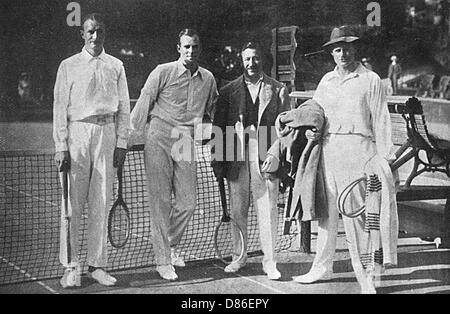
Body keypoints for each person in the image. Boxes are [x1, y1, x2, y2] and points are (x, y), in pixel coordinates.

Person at [292, 26, 398, 294]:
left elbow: (382, 120)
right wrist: (308, 126)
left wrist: (383, 159)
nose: (343, 52)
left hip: (359, 150)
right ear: (331, 52)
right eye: (337, 48)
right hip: (329, 149)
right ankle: (321, 267)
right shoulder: (326, 81)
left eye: (348, 47)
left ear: (356, 48)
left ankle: (367, 279)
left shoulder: (371, 79)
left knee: (359, 219)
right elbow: (315, 112)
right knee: (326, 215)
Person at [129, 29, 218, 281]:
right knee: (161, 203)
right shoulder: (162, 71)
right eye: (186, 47)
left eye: (195, 47)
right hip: (158, 135)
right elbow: (143, 103)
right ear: (178, 48)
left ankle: (168, 244)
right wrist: (124, 141)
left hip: (186, 138)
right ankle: (163, 261)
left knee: (188, 203)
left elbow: (215, 110)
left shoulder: (208, 78)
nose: (191, 51)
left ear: (200, 49)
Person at [53, 13, 130, 288]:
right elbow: (59, 108)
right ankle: (71, 267)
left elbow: (124, 108)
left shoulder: (116, 65)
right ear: (82, 34)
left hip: (107, 136)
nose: (95, 36)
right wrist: (61, 146)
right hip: (77, 137)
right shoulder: (68, 66)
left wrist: (121, 142)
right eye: (90, 31)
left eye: (100, 31)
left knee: (101, 203)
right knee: (72, 206)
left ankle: (97, 265)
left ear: (105, 34)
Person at [211, 41, 291, 280]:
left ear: (261, 60)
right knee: (238, 211)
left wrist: (276, 153)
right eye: (247, 59)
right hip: (237, 157)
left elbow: (286, 129)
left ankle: (270, 262)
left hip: (267, 154)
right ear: (241, 61)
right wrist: (219, 163)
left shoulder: (278, 89)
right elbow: (219, 129)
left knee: (268, 212)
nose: (251, 63)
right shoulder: (228, 91)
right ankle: (239, 256)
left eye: (255, 58)